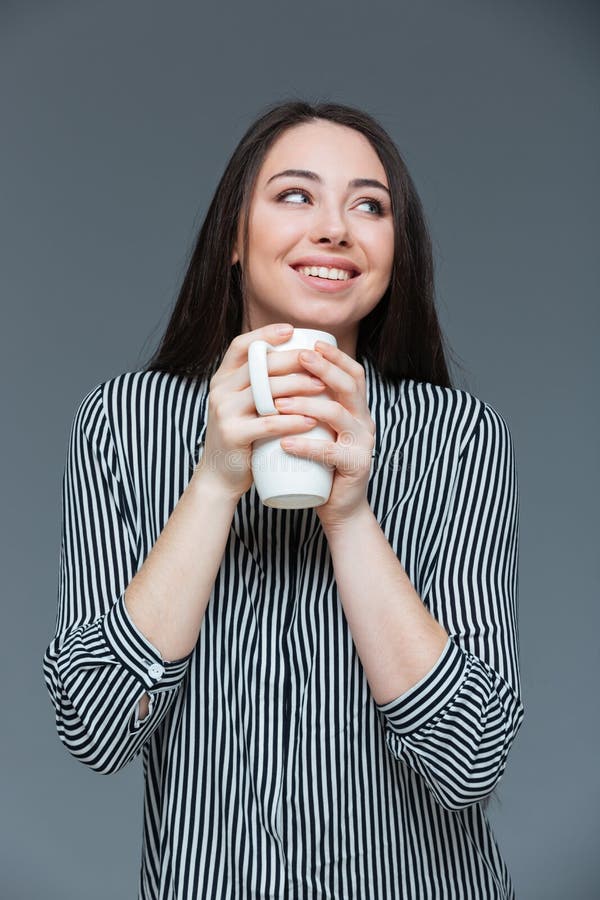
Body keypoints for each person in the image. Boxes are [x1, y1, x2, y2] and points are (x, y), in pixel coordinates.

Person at [43, 99, 524, 899]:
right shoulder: (123, 423)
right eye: (296, 195)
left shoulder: (457, 436)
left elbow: (472, 757)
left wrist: (351, 516)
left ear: (394, 253)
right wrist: (214, 482)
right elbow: (93, 728)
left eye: (369, 205)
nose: (335, 228)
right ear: (234, 236)